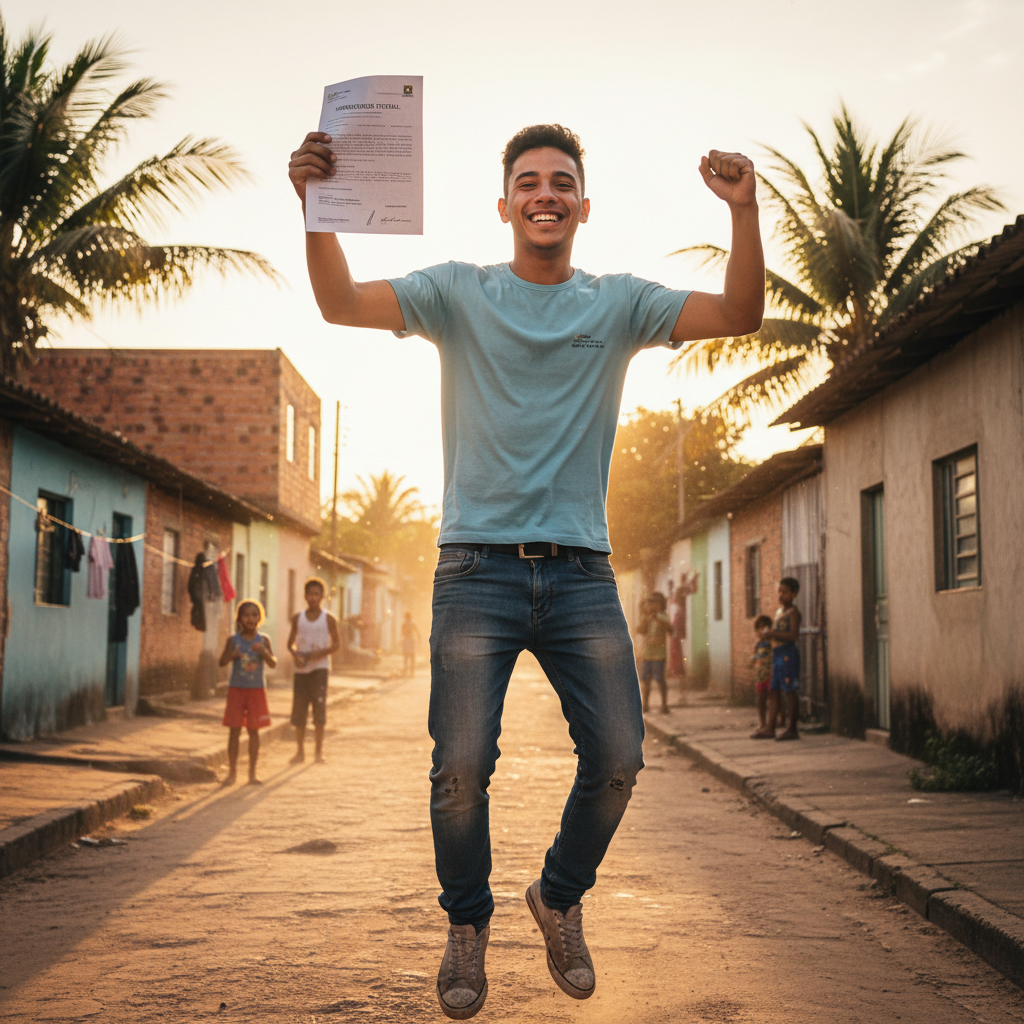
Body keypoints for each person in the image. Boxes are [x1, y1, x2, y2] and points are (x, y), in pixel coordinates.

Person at [289, 121, 763, 1019]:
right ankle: (467, 926)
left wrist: (744, 211)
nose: (546, 194)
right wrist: (318, 208)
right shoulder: (456, 293)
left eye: (561, 182)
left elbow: (739, 315)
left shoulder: (618, 303)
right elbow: (340, 302)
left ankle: (557, 895)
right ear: (504, 203)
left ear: (584, 205)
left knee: (620, 756)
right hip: (475, 572)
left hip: (583, 573)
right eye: (529, 182)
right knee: (461, 766)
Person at [219, 599, 277, 784]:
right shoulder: (233, 640)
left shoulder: (264, 640)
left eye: (254, 615)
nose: (250, 618)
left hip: (256, 691)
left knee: (254, 732)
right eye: (246, 615)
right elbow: (221, 662)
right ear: (239, 619)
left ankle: (252, 773)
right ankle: (232, 773)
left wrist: (264, 652)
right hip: (237, 690)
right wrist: (232, 655)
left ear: (259, 618)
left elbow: (273, 663)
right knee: (234, 731)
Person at [286, 577, 341, 764]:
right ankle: (300, 751)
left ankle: (318, 751)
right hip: (301, 671)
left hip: (320, 669)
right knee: (299, 711)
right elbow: (290, 644)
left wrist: (320, 653)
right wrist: (296, 656)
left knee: (319, 709)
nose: (313, 597)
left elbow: (336, 644)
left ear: (322, 596)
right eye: (310, 594)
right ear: (305, 596)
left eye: (317, 594)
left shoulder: (329, 619)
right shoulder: (298, 618)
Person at [751, 578, 802, 740]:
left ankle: (792, 728)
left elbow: (793, 635)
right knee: (774, 691)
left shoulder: (793, 612)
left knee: (789, 691)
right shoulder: (779, 612)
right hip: (777, 654)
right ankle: (770, 727)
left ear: (793, 594)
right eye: (779, 591)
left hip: (788, 654)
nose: (781, 595)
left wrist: (773, 634)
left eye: (785, 592)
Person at [637, 592, 672, 714]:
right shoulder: (647, 617)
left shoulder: (663, 616)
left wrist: (656, 618)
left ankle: (664, 704)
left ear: (661, 604)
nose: (653, 605)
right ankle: (645, 705)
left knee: (659, 678)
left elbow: (670, 629)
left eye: (655, 602)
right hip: (647, 653)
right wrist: (645, 616)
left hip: (659, 654)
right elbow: (641, 630)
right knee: (646, 680)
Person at [749, 614, 773, 735]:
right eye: (758, 629)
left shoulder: (771, 644)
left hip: (769, 675)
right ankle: (762, 722)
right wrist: (752, 661)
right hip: (760, 676)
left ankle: (776, 720)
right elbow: (754, 657)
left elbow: (772, 656)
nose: (761, 631)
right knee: (761, 700)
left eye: (764, 628)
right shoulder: (758, 644)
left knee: (773, 699)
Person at [401, 612, 421, 677]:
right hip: (411, 640)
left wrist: (400, 641)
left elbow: (402, 634)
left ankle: (406, 672)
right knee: (411, 657)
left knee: (406, 657)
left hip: (406, 640)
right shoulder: (413, 624)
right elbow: (418, 633)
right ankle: (411, 673)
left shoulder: (404, 625)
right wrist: (419, 639)